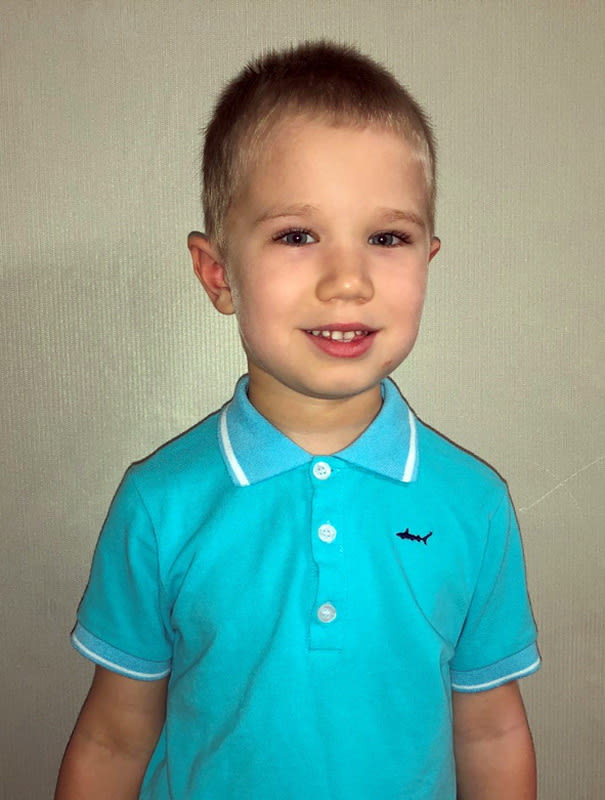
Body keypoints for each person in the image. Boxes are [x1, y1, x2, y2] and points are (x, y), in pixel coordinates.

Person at [55, 41, 540, 800]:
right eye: (296, 235)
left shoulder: (473, 504)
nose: (347, 280)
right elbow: (113, 736)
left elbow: (490, 730)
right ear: (219, 274)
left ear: (427, 259)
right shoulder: (160, 503)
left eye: (387, 238)